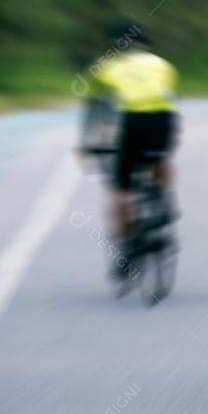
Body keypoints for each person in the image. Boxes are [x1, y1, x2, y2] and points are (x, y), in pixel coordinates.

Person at [83, 19, 179, 278]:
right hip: (163, 120)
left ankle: (126, 251)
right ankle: (166, 200)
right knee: (160, 154)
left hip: (132, 122)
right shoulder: (162, 64)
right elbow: (169, 95)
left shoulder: (106, 67)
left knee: (121, 187)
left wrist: (89, 144)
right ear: (145, 43)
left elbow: (94, 108)